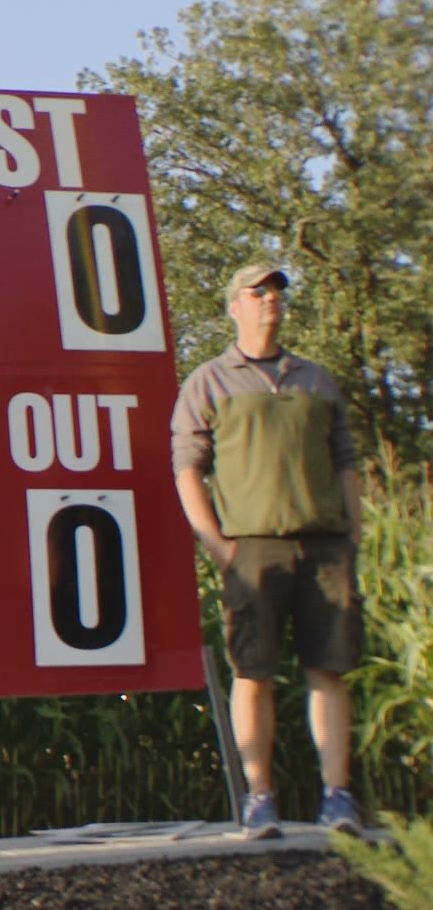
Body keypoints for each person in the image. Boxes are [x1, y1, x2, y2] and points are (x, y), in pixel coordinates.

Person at [170, 264, 364, 839]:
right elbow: (187, 470)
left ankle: (338, 797)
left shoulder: (315, 380)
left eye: (276, 292)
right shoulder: (208, 382)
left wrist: (353, 532)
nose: (270, 300)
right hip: (251, 547)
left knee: (328, 668)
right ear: (234, 306)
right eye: (258, 292)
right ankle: (260, 799)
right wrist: (216, 542)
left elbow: (347, 460)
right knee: (252, 670)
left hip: (324, 544)